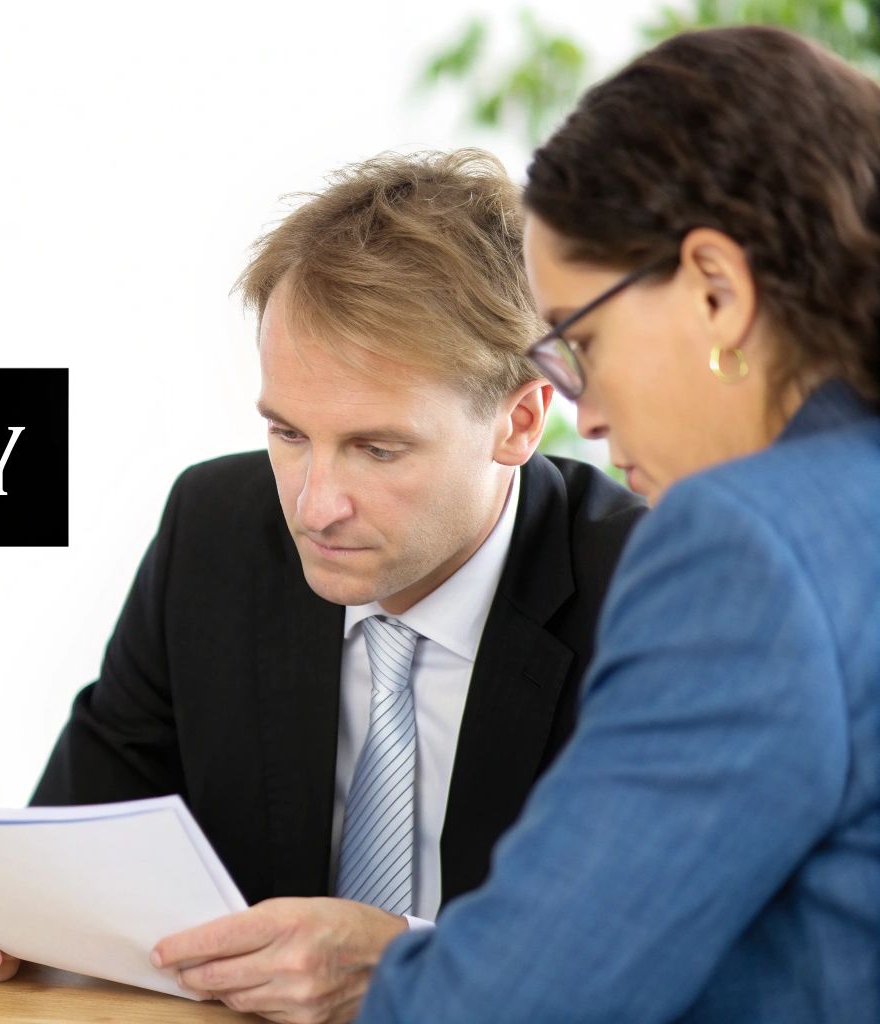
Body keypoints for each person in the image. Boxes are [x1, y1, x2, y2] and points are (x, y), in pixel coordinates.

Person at [0, 150, 645, 1021]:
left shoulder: (655, 596)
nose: (314, 505)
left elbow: (696, 956)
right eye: (288, 434)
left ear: (520, 421)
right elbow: (79, 846)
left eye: (377, 448)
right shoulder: (215, 531)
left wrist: (413, 961)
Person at [353, 27, 880, 1024]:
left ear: (716, 290)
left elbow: (504, 1005)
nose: (581, 416)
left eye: (579, 341)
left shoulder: (749, 549)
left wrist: (391, 974)